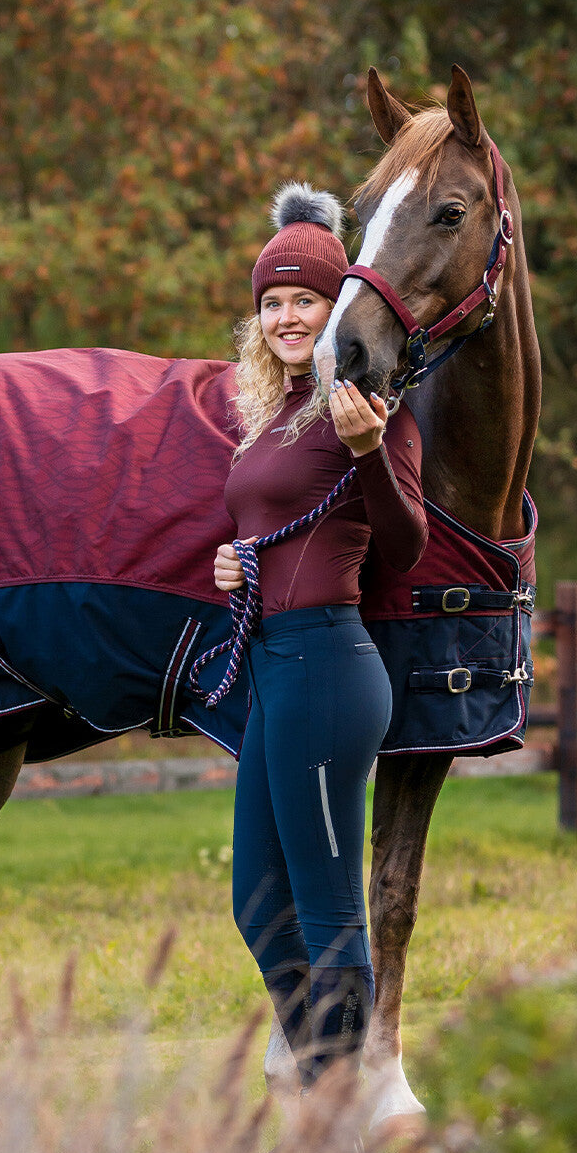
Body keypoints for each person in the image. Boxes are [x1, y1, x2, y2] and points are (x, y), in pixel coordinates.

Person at [214, 182, 428, 1092]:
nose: (287, 318)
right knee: (259, 904)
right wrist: (237, 562)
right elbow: (277, 522)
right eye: (272, 302)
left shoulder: (370, 411)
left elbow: (405, 545)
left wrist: (369, 451)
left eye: (306, 299)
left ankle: (344, 1111)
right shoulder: (276, 414)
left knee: (329, 910)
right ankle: (319, 1087)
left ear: (337, 306)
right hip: (275, 668)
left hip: (330, 670)